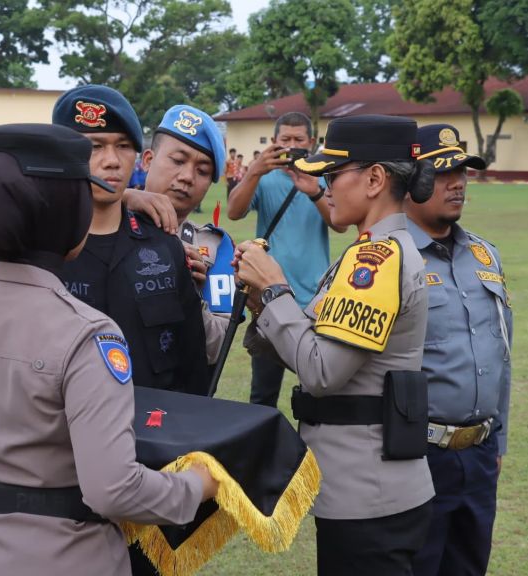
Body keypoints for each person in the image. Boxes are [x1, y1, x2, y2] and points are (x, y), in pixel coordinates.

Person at [0, 122, 217, 576]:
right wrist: (197, 485)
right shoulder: (88, 335)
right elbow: (113, 489)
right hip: (70, 552)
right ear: (68, 216)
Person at [234, 114, 436, 575]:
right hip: (365, 489)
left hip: (370, 497)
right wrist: (262, 302)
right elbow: (304, 339)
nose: (324, 186)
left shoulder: (377, 260)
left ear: (374, 179)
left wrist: (275, 291)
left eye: (332, 174)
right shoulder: (365, 252)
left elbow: (322, 372)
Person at [49, 85, 210, 398]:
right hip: (62, 437)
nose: (112, 161)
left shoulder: (164, 245)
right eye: (95, 146)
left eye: (123, 146)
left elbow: (191, 365)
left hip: (153, 435)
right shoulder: (37, 247)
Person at [406, 124, 512, 576]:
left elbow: (501, 354)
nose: (458, 183)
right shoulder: (389, 259)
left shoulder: (486, 256)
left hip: (481, 456)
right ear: (411, 180)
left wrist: (499, 442)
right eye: (443, 172)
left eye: (463, 171)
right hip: (418, 458)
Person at [227, 111, 333, 408]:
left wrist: (314, 192)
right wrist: (254, 172)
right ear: (274, 141)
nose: (292, 145)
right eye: (285, 139)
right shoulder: (265, 178)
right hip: (268, 300)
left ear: (311, 142)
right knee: (263, 394)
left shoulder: (323, 176)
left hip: (314, 301)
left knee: (317, 393)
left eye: (299, 139)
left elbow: (338, 224)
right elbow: (234, 212)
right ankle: (260, 453)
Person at [134, 103, 232, 365]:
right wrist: (121, 199)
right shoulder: (104, 223)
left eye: (202, 171)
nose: (187, 177)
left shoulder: (214, 247)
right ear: (147, 160)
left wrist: (190, 295)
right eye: (177, 161)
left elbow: (216, 349)